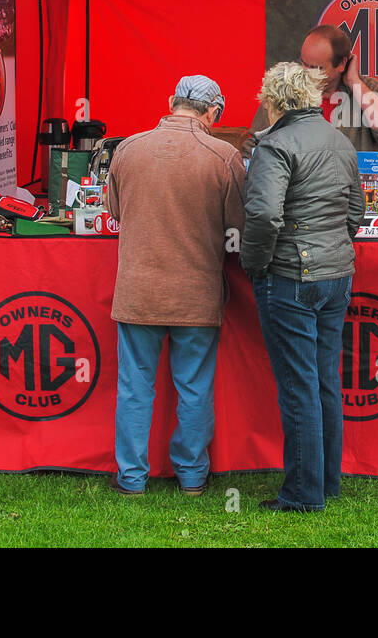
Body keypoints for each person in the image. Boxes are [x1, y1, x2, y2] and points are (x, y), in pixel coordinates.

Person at [104, 74, 245, 497]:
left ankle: (131, 478)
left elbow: (114, 210)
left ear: (170, 102)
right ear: (213, 112)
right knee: (195, 387)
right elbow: (237, 226)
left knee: (134, 388)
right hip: (195, 291)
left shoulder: (127, 149)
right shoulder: (224, 156)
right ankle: (192, 477)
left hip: (137, 290)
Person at [241, 61, 366, 512]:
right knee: (324, 382)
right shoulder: (338, 140)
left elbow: (263, 215)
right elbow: (356, 212)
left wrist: (255, 264)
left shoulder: (274, 145)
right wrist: (334, 246)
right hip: (336, 274)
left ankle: (302, 494)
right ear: (312, 97)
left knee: (299, 387)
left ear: (272, 100)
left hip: (291, 275)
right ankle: (326, 484)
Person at [243, 25, 378, 156]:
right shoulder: (286, 88)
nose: (305, 72)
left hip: (350, 192)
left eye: (315, 68)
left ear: (342, 64)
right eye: (303, 63)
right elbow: (253, 146)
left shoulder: (370, 89)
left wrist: (355, 82)